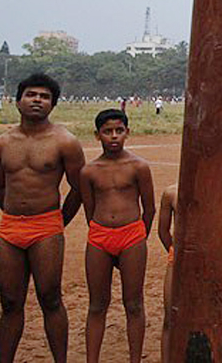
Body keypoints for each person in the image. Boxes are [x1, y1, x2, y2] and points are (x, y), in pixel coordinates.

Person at [0, 73, 85, 363]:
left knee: (50, 298)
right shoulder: (2, 143)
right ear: (18, 100)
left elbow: (78, 189)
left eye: (44, 97)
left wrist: (57, 222)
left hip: (47, 228)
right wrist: (15, 213)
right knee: (9, 302)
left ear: (53, 105)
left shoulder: (65, 142)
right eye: (31, 95)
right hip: (10, 229)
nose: (37, 101)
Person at [80, 108, 155, 363]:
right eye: (107, 131)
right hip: (99, 237)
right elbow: (89, 210)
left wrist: (137, 236)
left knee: (133, 303)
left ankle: (135, 359)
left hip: (132, 236)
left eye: (119, 131)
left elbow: (150, 207)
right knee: (97, 305)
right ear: (97, 135)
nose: (114, 136)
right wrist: (101, 230)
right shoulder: (89, 171)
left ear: (127, 133)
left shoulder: (139, 167)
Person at [157, 183, 178, 363]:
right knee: (170, 317)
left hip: (207, 260)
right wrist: (174, 251)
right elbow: (162, 231)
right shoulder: (171, 193)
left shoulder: (215, 191)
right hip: (178, 258)